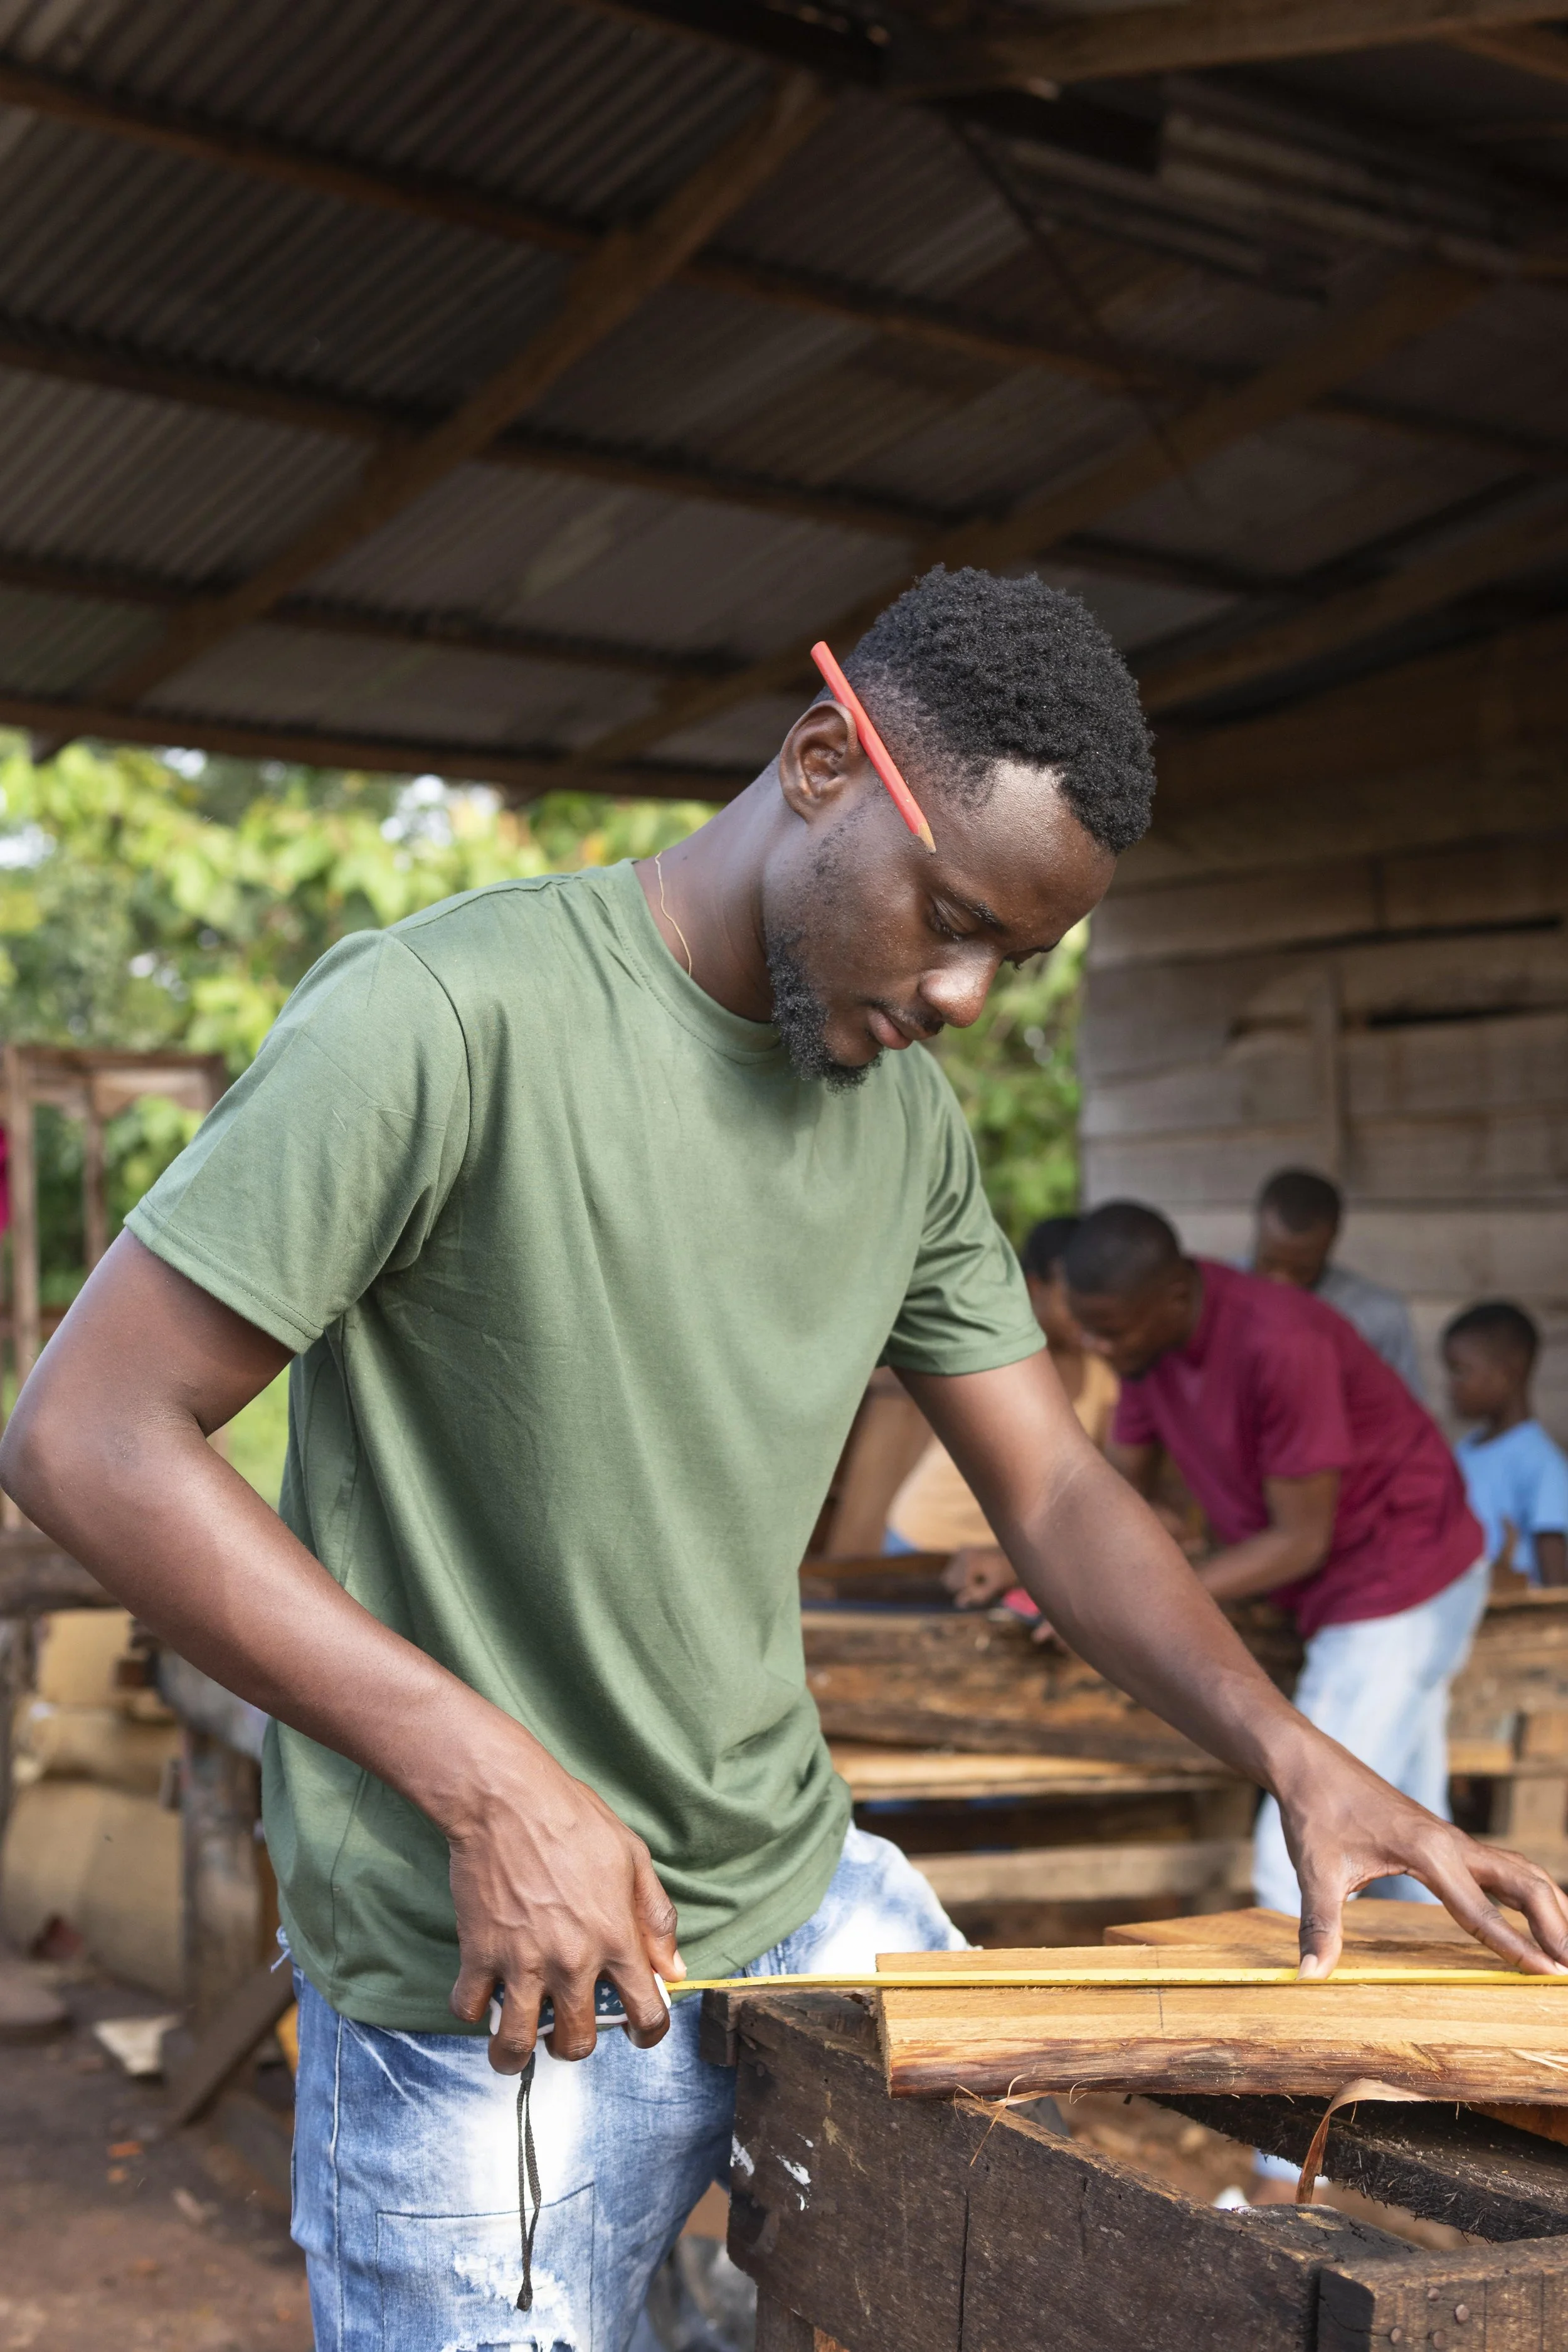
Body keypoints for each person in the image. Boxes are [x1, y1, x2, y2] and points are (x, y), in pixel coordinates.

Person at [4, 570, 1564, 2352]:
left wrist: (1297, 1748)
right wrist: (496, 1783)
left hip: (784, 1891)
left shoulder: (900, 1122)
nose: (970, 996)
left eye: (1019, 962)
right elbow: (88, 1432)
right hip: (482, 1978)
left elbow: (1052, 1490)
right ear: (825, 756)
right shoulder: (444, 1014)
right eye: (952, 920)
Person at [1064, 1200, 1491, 1921]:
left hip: (1401, 1582)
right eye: (1087, 1325)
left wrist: (1135, 1596)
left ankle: (1309, 2027)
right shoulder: (1145, 1350)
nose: (1094, 1346)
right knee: (1412, 1859)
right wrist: (1048, 1577)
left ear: (1173, 1294)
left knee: (1301, 1852)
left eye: (1109, 1328)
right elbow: (1114, 1496)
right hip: (1341, 1592)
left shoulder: (1279, 1338)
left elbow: (1300, 1540)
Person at [884, 1214, 1118, 1617]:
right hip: (929, 1541)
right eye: (1072, 1293)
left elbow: (1110, 1483)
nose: (1084, 1310)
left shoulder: (1104, 1376)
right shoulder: (994, 1357)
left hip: (1011, 1559)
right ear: (1034, 1287)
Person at [1250, 1167, 1424, 1397]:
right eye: (1268, 1263)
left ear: (1331, 1242)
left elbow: (1404, 1419)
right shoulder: (1215, 1292)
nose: (1282, 1282)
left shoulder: (1379, 1316)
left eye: (1302, 1270)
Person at [1444, 1301, 1568, 1588]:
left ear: (1507, 1373)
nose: (1450, 1386)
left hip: (1510, 1625)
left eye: (1460, 1371)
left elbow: (1556, 1582)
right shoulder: (1465, 1450)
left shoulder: (1542, 1463)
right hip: (1462, 1616)